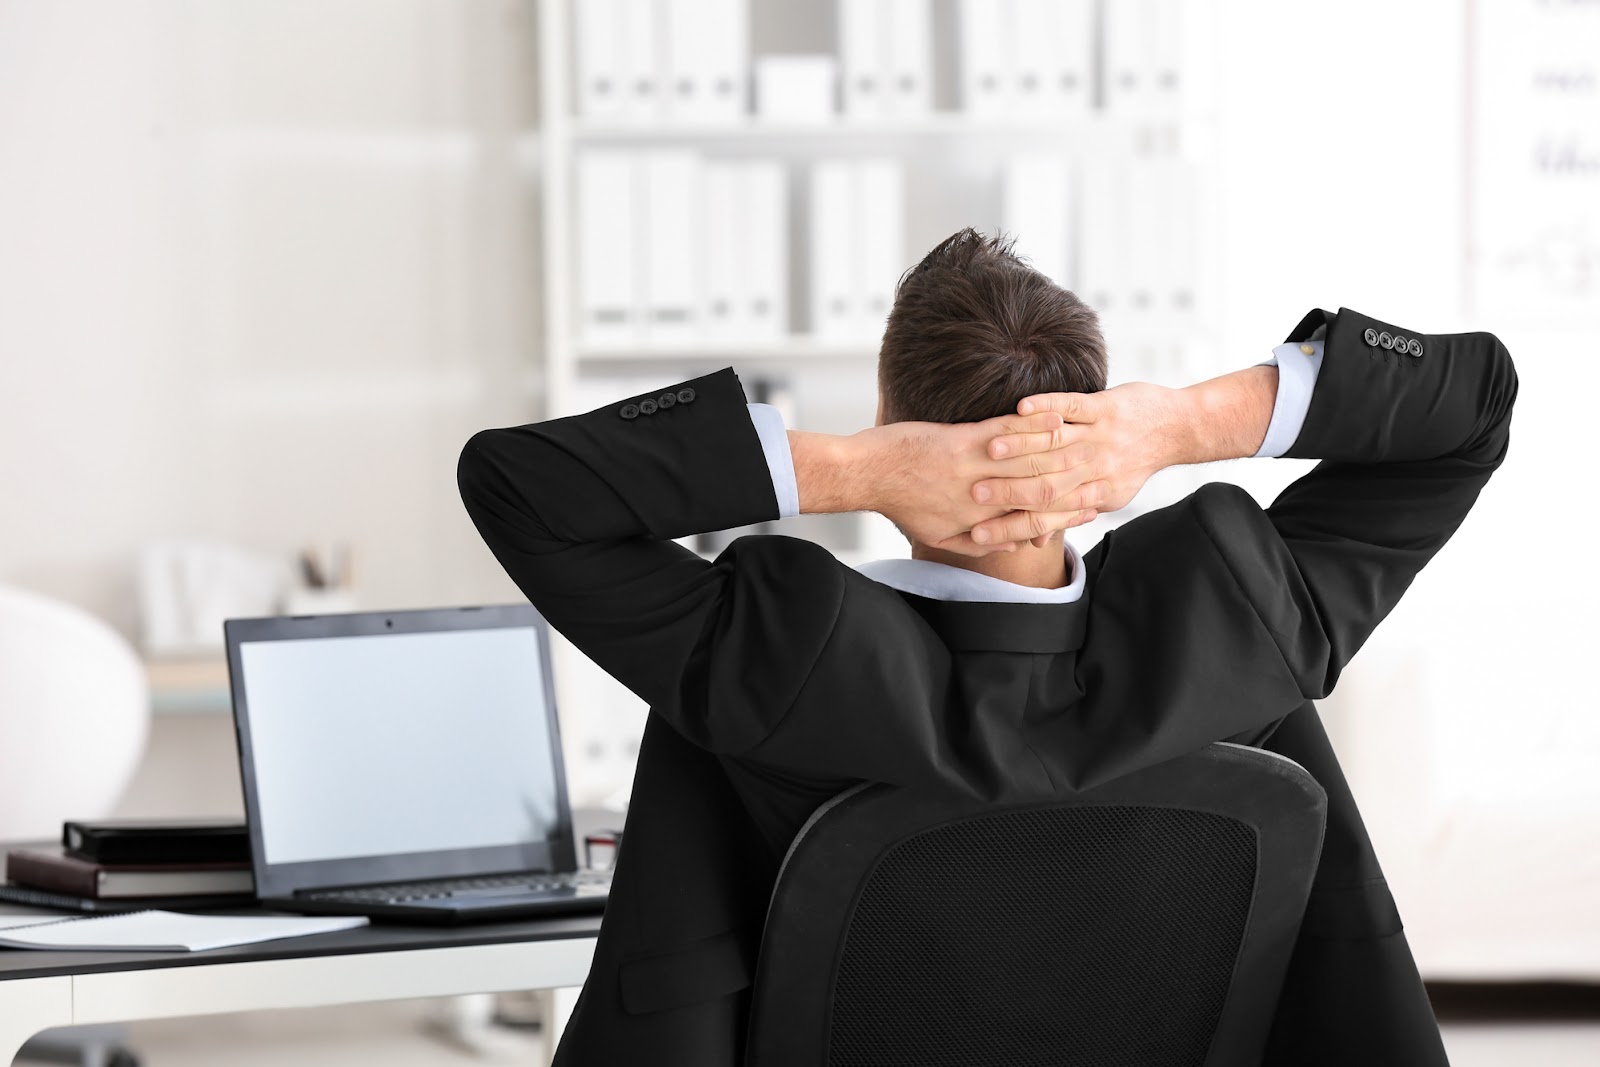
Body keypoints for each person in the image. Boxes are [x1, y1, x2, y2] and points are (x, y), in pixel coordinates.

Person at [457, 229, 1517, 1066]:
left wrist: (850, 469)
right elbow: (1472, 405)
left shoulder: (775, 658)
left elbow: (519, 485)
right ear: (1094, 430)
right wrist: (1181, 425)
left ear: (887, 414)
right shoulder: (1235, 620)